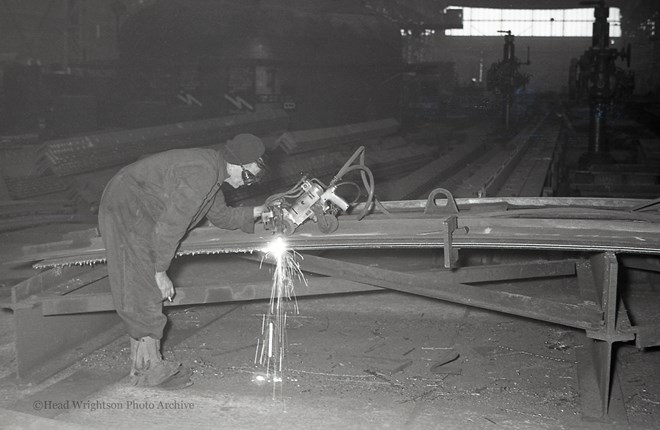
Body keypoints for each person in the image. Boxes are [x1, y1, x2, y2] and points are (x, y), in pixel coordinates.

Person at [98, 133, 266, 388]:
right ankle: (148, 369)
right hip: (128, 205)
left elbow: (222, 217)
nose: (246, 184)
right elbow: (169, 227)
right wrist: (160, 271)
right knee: (143, 283)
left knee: (144, 282)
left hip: (137, 205)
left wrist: (261, 211)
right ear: (235, 164)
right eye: (248, 176)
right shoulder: (202, 173)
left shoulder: (213, 172)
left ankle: (144, 366)